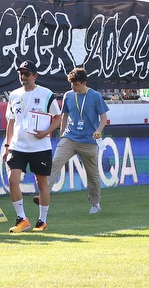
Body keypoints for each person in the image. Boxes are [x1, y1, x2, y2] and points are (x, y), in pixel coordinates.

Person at [35, 67, 109, 214]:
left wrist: (98, 131)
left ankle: (95, 204)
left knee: (92, 175)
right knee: (54, 164)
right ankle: (43, 195)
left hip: (88, 141)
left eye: (75, 84)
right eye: (71, 84)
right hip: (69, 138)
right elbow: (64, 116)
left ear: (84, 83)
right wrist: (62, 135)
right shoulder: (68, 96)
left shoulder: (95, 96)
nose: (72, 87)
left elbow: (104, 118)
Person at [3, 60, 62, 233]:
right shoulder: (13, 95)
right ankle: (22, 219)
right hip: (18, 146)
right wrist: (7, 145)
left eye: (27, 74)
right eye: (21, 73)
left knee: (42, 184)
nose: (23, 77)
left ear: (35, 76)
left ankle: (42, 221)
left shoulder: (46, 93)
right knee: (12, 179)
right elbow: (11, 121)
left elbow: (57, 117)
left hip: (40, 147)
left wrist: (46, 132)